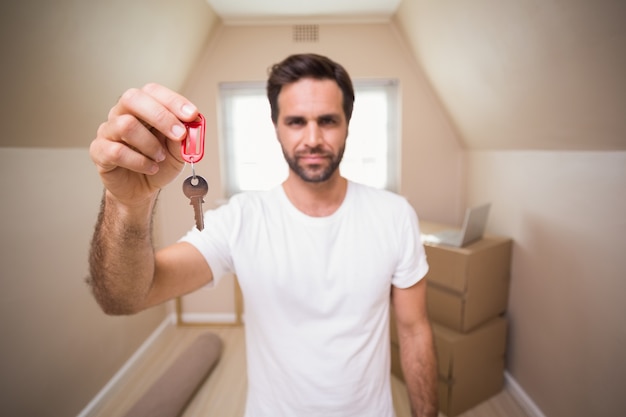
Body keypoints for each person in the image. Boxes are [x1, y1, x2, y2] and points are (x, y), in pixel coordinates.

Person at [88, 53, 438, 417]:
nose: (313, 138)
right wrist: (127, 205)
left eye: (328, 121)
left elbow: (414, 331)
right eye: (296, 121)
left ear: (347, 123)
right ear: (276, 127)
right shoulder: (241, 219)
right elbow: (125, 297)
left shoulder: (395, 215)